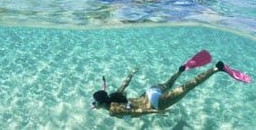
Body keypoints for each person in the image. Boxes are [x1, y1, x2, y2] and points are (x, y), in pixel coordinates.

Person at [90, 50, 251, 118]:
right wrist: (132, 73)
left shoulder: (112, 109)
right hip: (150, 91)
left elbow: (137, 111)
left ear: (100, 103)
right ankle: (180, 70)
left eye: (93, 102)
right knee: (169, 83)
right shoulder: (113, 96)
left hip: (155, 103)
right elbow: (125, 84)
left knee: (189, 86)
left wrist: (155, 112)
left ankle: (218, 68)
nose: (93, 104)